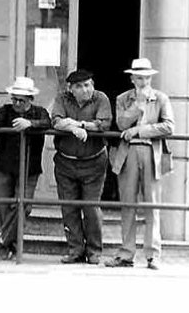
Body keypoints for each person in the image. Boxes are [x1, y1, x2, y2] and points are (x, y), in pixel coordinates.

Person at [105, 58, 175, 270]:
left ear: (151, 77)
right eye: (138, 77)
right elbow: (121, 123)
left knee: (152, 204)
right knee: (128, 204)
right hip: (128, 152)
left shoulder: (161, 98)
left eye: (146, 77)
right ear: (132, 78)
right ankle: (127, 253)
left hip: (151, 151)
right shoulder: (123, 99)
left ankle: (153, 254)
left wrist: (140, 130)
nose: (142, 81)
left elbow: (169, 126)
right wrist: (138, 106)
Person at [51, 69, 113, 265]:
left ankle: (94, 251)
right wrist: (71, 127)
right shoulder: (62, 98)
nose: (85, 89)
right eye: (79, 86)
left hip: (93, 162)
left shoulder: (100, 98)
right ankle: (75, 250)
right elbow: (56, 121)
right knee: (69, 207)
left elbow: (104, 124)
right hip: (65, 162)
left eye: (88, 85)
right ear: (70, 89)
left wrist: (80, 125)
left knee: (91, 208)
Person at [0, 76, 51, 260]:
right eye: (14, 99)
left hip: (29, 168)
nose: (17, 103)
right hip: (6, 165)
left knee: (23, 206)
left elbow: (47, 123)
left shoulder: (39, 112)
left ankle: (4, 239)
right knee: (3, 205)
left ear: (30, 100)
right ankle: (11, 244)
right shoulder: (6, 110)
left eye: (21, 100)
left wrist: (30, 124)